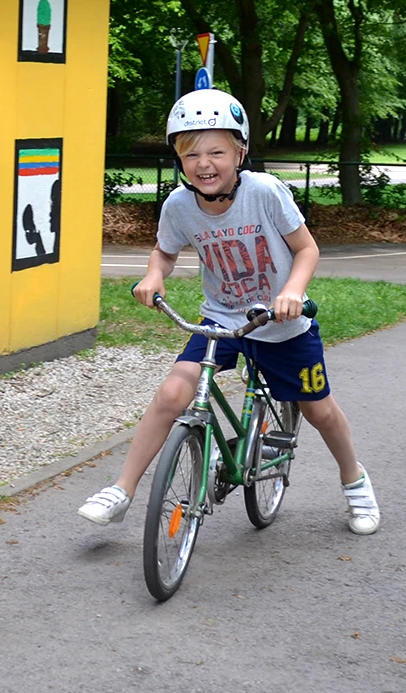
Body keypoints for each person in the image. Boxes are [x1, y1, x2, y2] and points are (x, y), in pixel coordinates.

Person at [78, 89, 380, 535]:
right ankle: (122, 490)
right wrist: (154, 275)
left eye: (217, 151)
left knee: (319, 411)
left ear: (240, 151)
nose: (204, 163)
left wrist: (293, 291)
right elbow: (164, 252)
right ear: (178, 159)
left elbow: (306, 249)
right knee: (171, 395)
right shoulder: (179, 207)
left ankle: (354, 480)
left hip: (280, 325)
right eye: (191, 153)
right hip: (220, 319)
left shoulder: (263, 192)